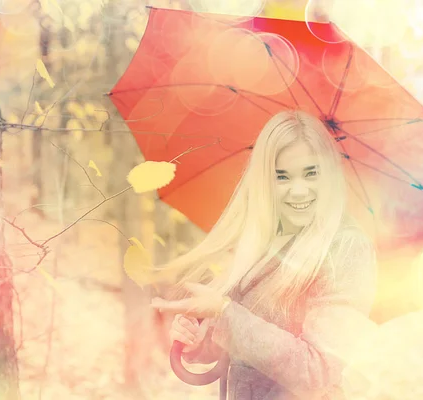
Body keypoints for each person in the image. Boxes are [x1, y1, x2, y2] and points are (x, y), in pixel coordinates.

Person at [151, 110, 378, 399]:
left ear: (330, 174)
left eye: (311, 173)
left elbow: (318, 370)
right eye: (282, 177)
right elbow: (244, 351)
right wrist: (199, 342)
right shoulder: (267, 242)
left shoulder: (346, 250)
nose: (298, 191)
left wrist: (224, 312)